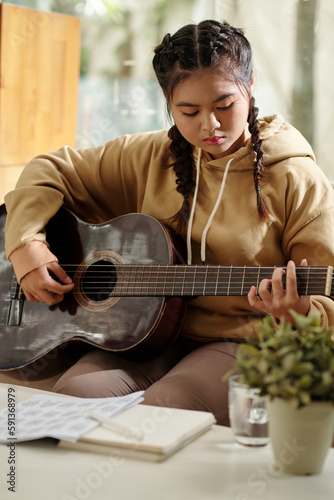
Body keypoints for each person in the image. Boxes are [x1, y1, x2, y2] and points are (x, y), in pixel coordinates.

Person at [3, 20, 334, 426]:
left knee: (167, 405)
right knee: (71, 400)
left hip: (241, 339)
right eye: (189, 111)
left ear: (250, 85)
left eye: (224, 105)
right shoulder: (148, 155)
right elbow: (50, 169)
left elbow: (325, 297)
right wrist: (25, 244)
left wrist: (297, 308)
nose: (209, 125)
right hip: (141, 335)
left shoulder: (297, 179)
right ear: (168, 102)